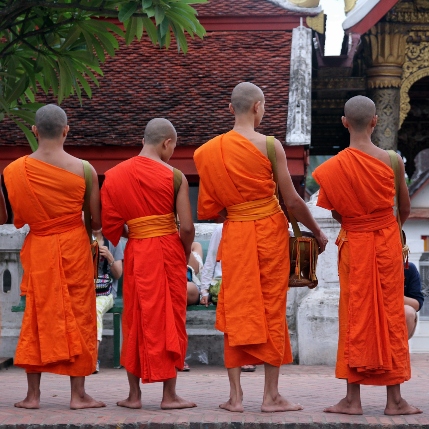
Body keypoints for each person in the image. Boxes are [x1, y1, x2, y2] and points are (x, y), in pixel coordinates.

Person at [194, 82, 328, 413]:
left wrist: (240, 213)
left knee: (235, 308)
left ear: (230, 109)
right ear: (258, 107)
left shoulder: (207, 151)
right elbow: (293, 201)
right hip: (269, 234)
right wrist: (318, 234)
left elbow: (211, 208)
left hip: (237, 235)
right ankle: (271, 396)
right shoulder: (270, 146)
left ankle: (235, 397)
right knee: (271, 310)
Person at [313, 95, 421, 416]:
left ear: (344, 122)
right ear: (375, 121)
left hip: (354, 245)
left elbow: (337, 213)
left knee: (354, 315)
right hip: (387, 242)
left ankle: (352, 399)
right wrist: (386, 226)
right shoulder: (392, 161)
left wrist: (360, 222)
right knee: (391, 315)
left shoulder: (330, 169)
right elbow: (404, 208)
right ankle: (395, 400)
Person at [3, 104, 104, 410]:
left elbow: (13, 217)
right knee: (81, 316)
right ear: (66, 131)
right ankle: (78, 395)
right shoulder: (85, 169)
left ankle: (32, 396)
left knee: (35, 315)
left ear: (34, 131)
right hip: (74, 246)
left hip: (39, 248)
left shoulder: (13, 170)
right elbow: (96, 222)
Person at [101, 118, 196, 410]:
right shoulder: (175, 176)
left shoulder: (114, 175)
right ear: (167, 142)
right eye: (173, 147)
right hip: (168, 250)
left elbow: (110, 227)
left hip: (137, 252)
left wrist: (138, 230)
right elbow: (188, 228)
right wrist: (184, 250)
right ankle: (169, 396)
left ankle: (133, 395)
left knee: (135, 318)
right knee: (169, 317)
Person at [199, 223, 256, 373]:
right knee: (238, 297)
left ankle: (246, 354)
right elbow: (211, 258)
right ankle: (241, 356)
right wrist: (204, 290)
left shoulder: (255, 224)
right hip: (222, 281)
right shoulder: (220, 228)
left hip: (246, 281)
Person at [92, 229, 124, 373]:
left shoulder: (113, 239)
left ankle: (93, 358)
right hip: (83, 290)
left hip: (106, 292)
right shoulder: (81, 237)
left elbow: (118, 274)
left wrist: (110, 258)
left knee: (95, 309)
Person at [404, 262, 424, 339]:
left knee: (408, 312)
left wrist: (396, 298)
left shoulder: (408, 268)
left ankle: (399, 348)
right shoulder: (369, 267)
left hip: (397, 312)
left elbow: (417, 304)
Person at [187, 241, 204, 306]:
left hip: (187, 283)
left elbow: (196, 269)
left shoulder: (194, 245)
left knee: (185, 289)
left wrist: (184, 244)